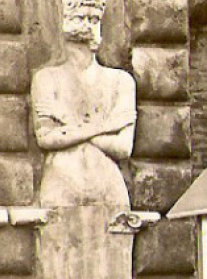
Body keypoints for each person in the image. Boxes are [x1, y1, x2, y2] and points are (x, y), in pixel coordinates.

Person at [31, 0, 135, 208]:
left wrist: (71, 128)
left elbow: (123, 147)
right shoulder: (46, 78)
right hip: (61, 183)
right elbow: (46, 137)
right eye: (80, 18)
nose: (88, 26)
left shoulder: (120, 81)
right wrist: (105, 127)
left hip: (108, 186)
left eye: (94, 19)